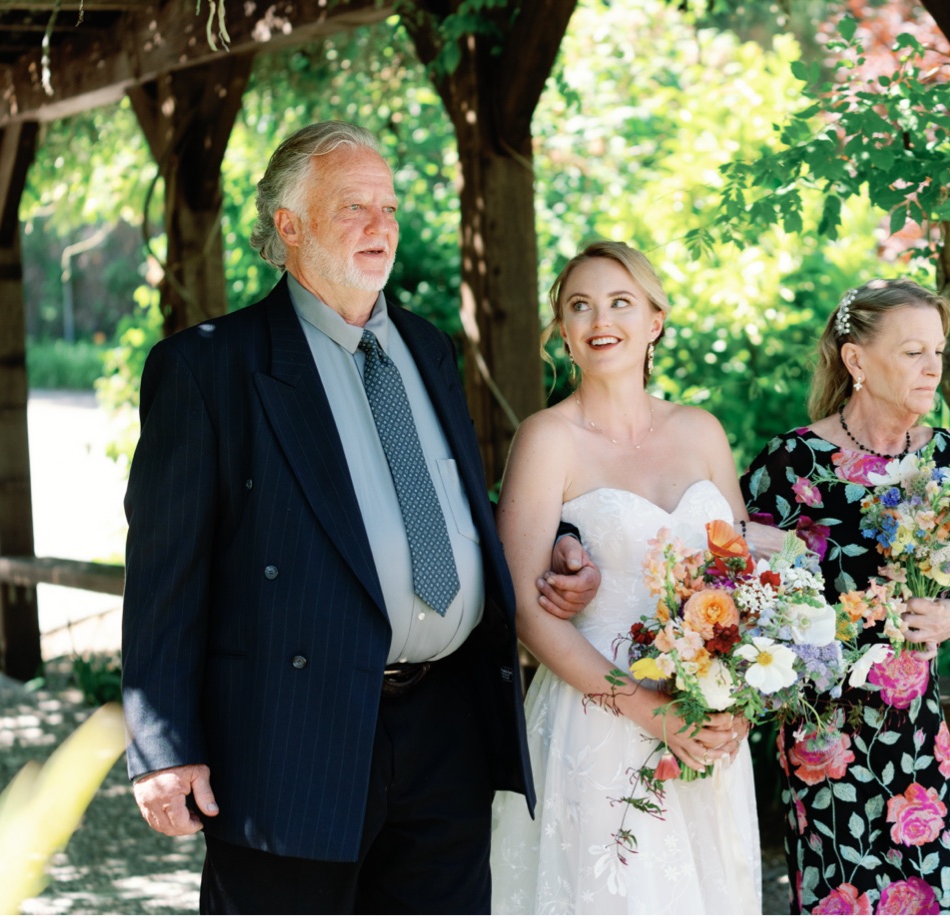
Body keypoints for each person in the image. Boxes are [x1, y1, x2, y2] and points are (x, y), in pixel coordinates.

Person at [120, 120, 598, 914]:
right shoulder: (209, 368)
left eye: (389, 208)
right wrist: (163, 746)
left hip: (445, 724)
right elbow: (166, 571)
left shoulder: (425, 345)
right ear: (289, 225)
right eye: (353, 207)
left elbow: (443, 505)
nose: (381, 227)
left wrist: (557, 541)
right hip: (291, 732)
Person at [488, 240, 784, 913]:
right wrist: (651, 712)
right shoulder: (545, 440)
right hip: (597, 723)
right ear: (562, 331)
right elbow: (527, 612)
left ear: (654, 320)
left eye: (621, 301)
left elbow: (740, 586)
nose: (601, 319)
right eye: (580, 305)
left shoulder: (702, 431)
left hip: (702, 731)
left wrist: (733, 707)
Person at [742, 279, 950, 914]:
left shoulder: (947, 455)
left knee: (928, 899)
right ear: (856, 360)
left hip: (917, 735)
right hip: (827, 732)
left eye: (938, 350)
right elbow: (739, 589)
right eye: (913, 352)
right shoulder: (795, 463)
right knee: (839, 899)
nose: (933, 366)